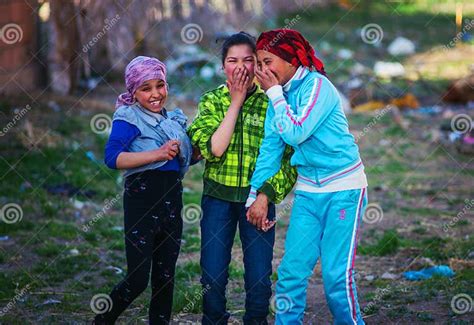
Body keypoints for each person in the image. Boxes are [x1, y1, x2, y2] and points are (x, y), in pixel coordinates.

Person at [246, 29, 368, 325]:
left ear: (290, 59)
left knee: (335, 276)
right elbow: (270, 149)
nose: (263, 71)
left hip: (344, 189)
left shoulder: (318, 87)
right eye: (259, 64)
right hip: (308, 192)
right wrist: (254, 197)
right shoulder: (280, 97)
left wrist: (275, 94)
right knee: (291, 272)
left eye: (268, 61)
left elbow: (296, 131)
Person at [187, 32, 297, 324]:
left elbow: (290, 160)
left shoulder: (274, 102)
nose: (241, 68)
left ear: (259, 64)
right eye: (232, 60)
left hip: (257, 202)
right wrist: (235, 102)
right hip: (217, 202)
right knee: (212, 277)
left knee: (260, 280)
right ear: (223, 66)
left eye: (249, 60)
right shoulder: (211, 101)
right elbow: (213, 148)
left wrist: (265, 196)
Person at [94, 56, 192, 324]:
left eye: (160, 85)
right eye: (145, 88)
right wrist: (157, 154)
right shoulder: (129, 118)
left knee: (165, 278)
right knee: (138, 279)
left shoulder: (173, 121)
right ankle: (103, 320)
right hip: (142, 205)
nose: (155, 94)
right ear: (133, 91)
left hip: (172, 203)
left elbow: (187, 156)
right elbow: (113, 158)